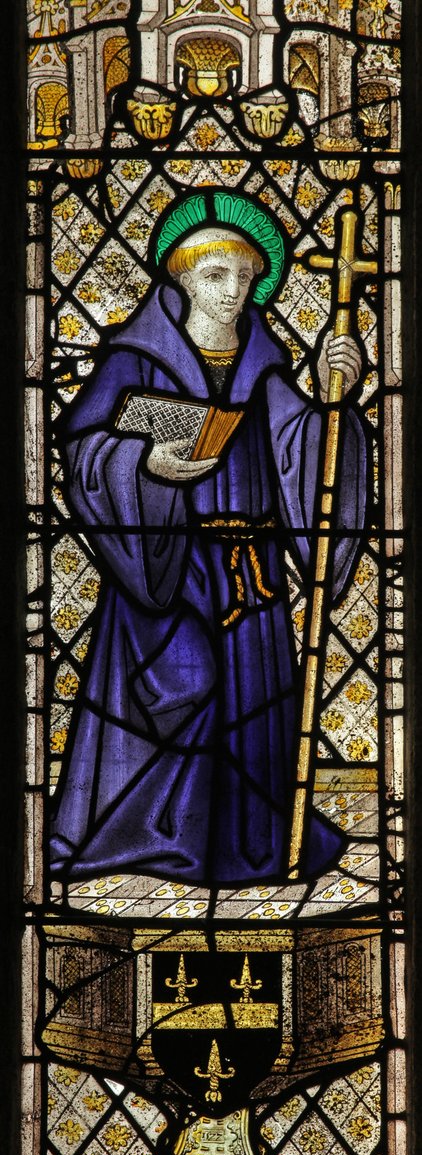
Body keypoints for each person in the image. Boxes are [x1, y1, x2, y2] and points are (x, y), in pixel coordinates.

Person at [50, 193, 368, 886]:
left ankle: (247, 843)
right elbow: (81, 454)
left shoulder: (263, 363)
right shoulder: (135, 360)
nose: (232, 292)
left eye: (244, 277)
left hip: (249, 572)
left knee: (251, 707)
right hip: (165, 561)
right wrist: (145, 466)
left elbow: (305, 450)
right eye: (215, 275)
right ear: (182, 278)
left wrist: (330, 397)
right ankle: (149, 837)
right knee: (186, 685)